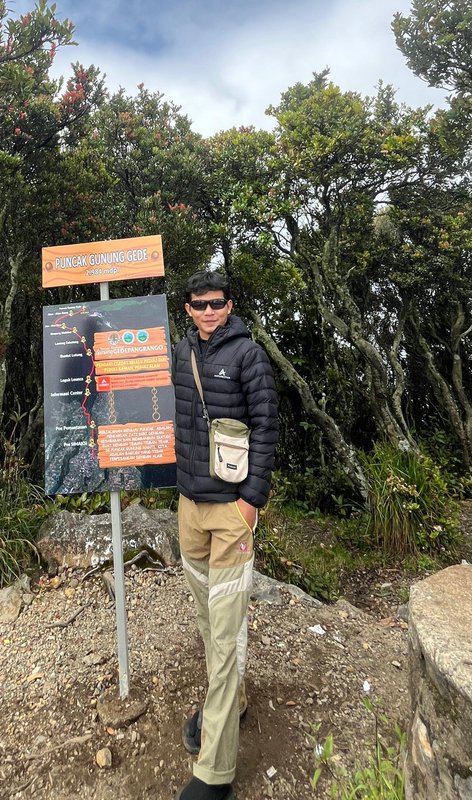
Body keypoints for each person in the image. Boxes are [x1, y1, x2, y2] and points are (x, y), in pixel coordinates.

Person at [172, 269, 279, 800]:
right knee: (206, 617)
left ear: (229, 305)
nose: (208, 312)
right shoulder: (179, 352)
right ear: (187, 308)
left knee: (224, 631)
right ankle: (230, 701)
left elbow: (266, 426)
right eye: (199, 305)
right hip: (190, 508)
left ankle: (215, 773)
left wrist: (251, 502)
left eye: (216, 304)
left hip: (230, 513)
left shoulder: (248, 356)